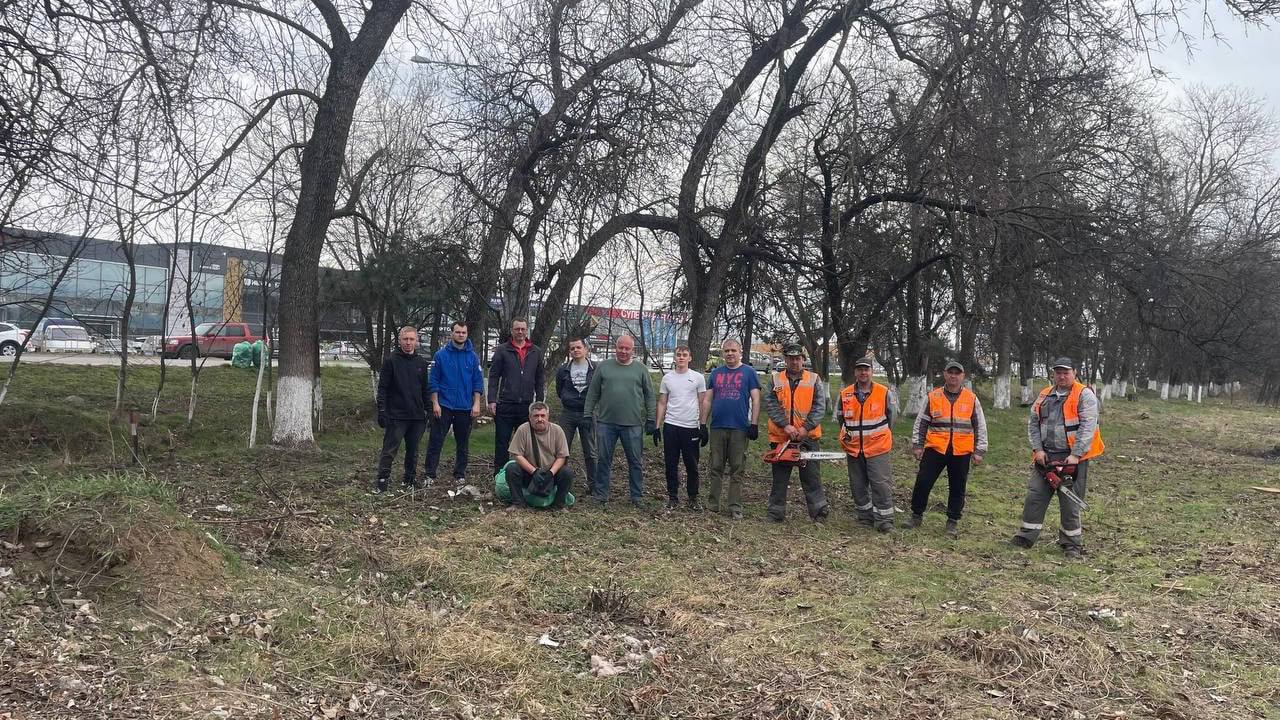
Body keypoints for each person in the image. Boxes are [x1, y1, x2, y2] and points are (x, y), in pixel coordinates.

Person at [1012, 357, 1104, 560]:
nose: (1061, 376)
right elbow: (1033, 423)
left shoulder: (1084, 395)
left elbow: (1088, 427)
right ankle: (1026, 536)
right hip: (1046, 456)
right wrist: (1037, 450)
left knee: (1070, 501)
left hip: (1071, 457)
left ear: (1075, 372)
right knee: (1035, 496)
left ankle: (1071, 544)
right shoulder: (1045, 394)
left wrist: (1075, 455)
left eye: (1066, 372)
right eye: (1058, 372)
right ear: (1053, 374)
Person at [909, 360, 988, 537]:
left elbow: (980, 425)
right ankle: (916, 515)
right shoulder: (933, 396)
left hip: (961, 451)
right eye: (950, 372)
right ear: (945, 374)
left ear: (962, 376)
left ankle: (952, 522)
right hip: (935, 448)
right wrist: (917, 445)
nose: (953, 376)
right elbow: (921, 422)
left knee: (957, 487)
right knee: (923, 482)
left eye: (957, 373)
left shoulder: (971, 399)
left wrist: (979, 450)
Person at [582, 334, 656, 507]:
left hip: (633, 424)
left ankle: (636, 496)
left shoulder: (641, 369)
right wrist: (587, 414)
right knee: (603, 459)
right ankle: (601, 495)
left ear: (633, 350)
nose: (623, 351)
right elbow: (593, 392)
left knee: (635, 461)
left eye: (627, 348)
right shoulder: (604, 367)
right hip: (606, 423)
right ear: (616, 347)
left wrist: (651, 418)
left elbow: (650, 396)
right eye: (620, 347)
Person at [764, 343, 830, 522]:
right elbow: (770, 404)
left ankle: (818, 512)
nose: (794, 362)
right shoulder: (775, 379)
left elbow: (819, 407)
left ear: (803, 360)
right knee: (779, 478)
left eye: (798, 358)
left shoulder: (814, 379)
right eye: (791, 358)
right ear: (785, 359)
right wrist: (785, 425)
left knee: (812, 477)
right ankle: (775, 513)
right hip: (781, 437)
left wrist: (805, 428)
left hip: (807, 437)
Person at [837, 355, 896, 532]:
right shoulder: (845, 394)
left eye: (866, 369)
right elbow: (841, 419)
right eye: (860, 369)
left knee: (880, 484)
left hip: (877, 448)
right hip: (854, 448)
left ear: (872, 371)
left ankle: (884, 520)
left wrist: (878, 436)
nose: (863, 372)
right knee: (857, 484)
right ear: (855, 372)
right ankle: (865, 516)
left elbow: (891, 417)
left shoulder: (883, 392)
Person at [703, 339, 761, 519]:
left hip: (739, 428)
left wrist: (754, 424)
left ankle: (735, 506)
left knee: (737, 468)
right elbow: (707, 399)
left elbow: (756, 399)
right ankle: (713, 504)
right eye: (726, 351)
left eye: (733, 350)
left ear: (740, 352)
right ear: (722, 353)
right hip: (718, 427)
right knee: (716, 466)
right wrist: (702, 424)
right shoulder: (716, 373)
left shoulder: (749, 372)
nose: (730, 353)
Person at [424, 321, 485, 486]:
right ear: (452, 333)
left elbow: (477, 382)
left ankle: (460, 474)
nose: (461, 335)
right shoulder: (441, 355)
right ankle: (429, 474)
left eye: (463, 333)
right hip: (443, 405)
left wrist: (476, 403)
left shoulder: (472, 357)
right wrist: (435, 403)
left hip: (464, 407)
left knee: (463, 443)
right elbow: (433, 381)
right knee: (436, 440)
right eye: (457, 332)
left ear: (467, 334)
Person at [374, 326, 431, 494]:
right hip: (396, 415)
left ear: (417, 341)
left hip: (417, 417)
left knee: (413, 451)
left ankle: (409, 479)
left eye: (411, 339)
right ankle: (382, 481)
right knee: (390, 450)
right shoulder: (391, 361)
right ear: (399, 340)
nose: (408, 342)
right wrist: (382, 410)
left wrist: (428, 411)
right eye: (405, 339)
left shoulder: (421, 363)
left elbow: (425, 389)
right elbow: (382, 388)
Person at [488, 317, 545, 470]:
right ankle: (500, 476)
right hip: (506, 404)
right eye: (517, 329)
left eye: (523, 329)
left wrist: (539, 403)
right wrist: (492, 399)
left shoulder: (536, 351)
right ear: (512, 331)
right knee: (502, 442)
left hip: (527, 406)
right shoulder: (502, 350)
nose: (520, 332)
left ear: (527, 331)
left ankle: (525, 475)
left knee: (526, 444)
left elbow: (540, 378)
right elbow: (493, 376)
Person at [655, 346, 708, 510]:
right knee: (670, 463)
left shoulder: (698, 378)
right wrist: (657, 426)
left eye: (685, 355)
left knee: (691, 464)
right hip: (671, 426)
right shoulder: (667, 378)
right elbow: (662, 402)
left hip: (690, 427)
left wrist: (703, 425)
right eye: (678, 355)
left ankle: (693, 497)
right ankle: (673, 497)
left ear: (690, 358)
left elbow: (702, 402)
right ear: (675, 358)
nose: (681, 358)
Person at [504, 402, 574, 510]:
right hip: (530, 472)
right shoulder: (523, 429)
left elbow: (562, 457)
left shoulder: (557, 430)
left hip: (550, 474)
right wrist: (534, 471)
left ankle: (559, 506)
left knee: (567, 472)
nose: (540, 419)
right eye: (536, 416)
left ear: (548, 417)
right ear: (530, 417)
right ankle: (518, 503)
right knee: (511, 468)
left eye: (543, 415)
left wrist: (551, 473)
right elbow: (517, 455)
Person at [554, 337, 597, 493]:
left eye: (578, 347)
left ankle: (594, 487)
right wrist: (568, 399)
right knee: (562, 450)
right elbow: (560, 391)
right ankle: (561, 485)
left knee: (591, 451)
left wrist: (589, 408)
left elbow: (599, 389)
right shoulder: (563, 369)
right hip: (568, 413)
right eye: (572, 348)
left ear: (585, 349)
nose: (575, 350)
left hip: (588, 413)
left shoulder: (595, 368)